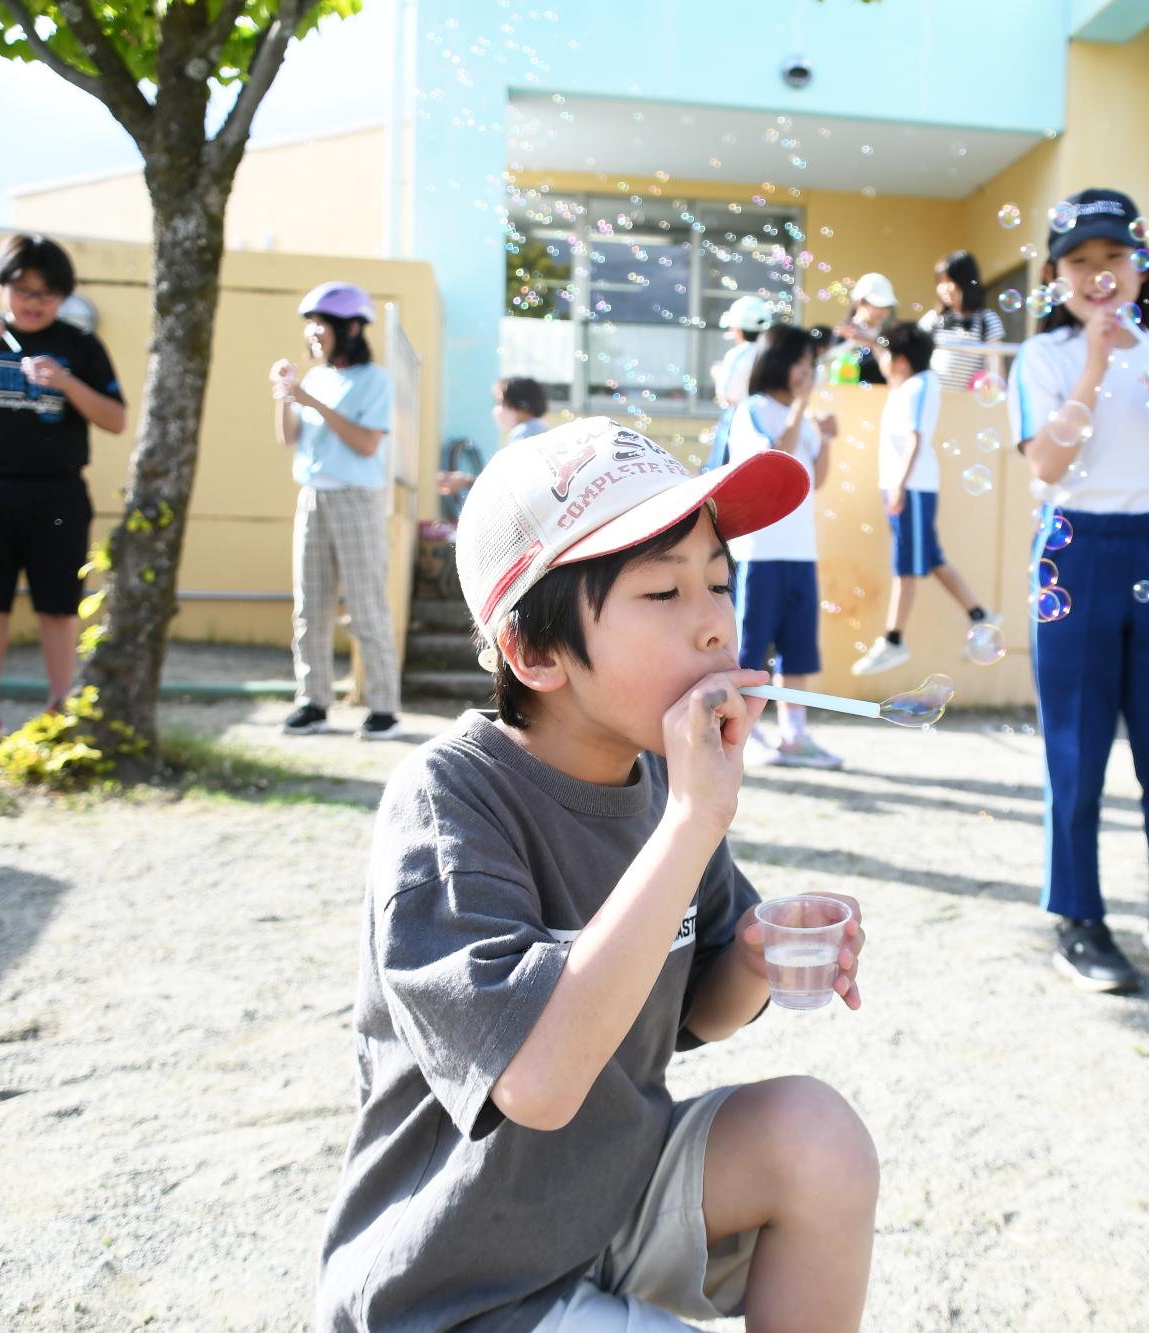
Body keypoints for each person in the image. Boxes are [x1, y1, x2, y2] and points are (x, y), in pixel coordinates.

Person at [316, 417, 877, 1331]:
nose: (712, 625)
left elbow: (700, 1010)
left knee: (817, 1137)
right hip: (463, 1281)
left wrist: (756, 952)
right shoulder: (451, 798)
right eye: (662, 592)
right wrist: (695, 821)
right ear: (534, 653)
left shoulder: (658, 781)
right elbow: (536, 1083)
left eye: (718, 582)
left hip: (606, 1207)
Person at [1009, 188, 1149, 995]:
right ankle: (1079, 916)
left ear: (1142, 264)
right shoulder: (1048, 358)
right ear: (1056, 275)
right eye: (1080, 262)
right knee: (1078, 749)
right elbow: (1045, 464)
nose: (1100, 276)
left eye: (1114, 258)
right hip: (1075, 550)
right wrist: (1098, 364)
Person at [0, 233, 126, 749]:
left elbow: (117, 419)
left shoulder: (81, 345)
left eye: (48, 293)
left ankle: (60, 707)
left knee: (58, 605)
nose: (34, 302)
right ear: (1, 287)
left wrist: (67, 385)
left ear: (64, 297)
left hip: (57, 494)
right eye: (24, 289)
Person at [269, 281, 403, 741]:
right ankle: (313, 702)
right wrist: (285, 395)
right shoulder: (316, 378)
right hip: (312, 497)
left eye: (319, 325)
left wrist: (311, 402)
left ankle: (384, 708)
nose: (312, 335)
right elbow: (289, 439)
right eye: (308, 327)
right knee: (310, 607)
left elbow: (367, 444)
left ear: (349, 328)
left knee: (366, 605)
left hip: (356, 499)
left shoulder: (375, 380)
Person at [850, 321, 995, 678]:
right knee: (931, 559)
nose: (882, 362)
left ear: (901, 363)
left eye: (888, 357)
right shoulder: (911, 380)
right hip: (907, 487)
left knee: (905, 565)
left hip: (910, 487)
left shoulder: (918, 387)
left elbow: (915, 438)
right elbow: (891, 354)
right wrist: (870, 340)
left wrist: (899, 485)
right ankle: (980, 615)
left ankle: (894, 639)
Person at [726, 325, 842, 768]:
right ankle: (742, 734)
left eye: (810, 364)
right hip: (759, 551)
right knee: (749, 651)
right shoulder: (754, 410)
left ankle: (795, 735)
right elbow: (778, 463)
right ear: (778, 361)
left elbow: (816, 479)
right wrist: (800, 410)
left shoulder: (798, 414)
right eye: (800, 362)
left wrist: (827, 438)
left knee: (798, 651)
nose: (807, 371)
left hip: (800, 551)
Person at [698, 294, 776, 474]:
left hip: (739, 422)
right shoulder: (773, 355)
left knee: (724, 475)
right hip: (768, 421)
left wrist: (718, 375)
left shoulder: (738, 354)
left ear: (738, 330)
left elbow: (727, 396)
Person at [436, 376, 551, 497]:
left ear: (522, 405)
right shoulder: (540, 428)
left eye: (500, 402)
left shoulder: (523, 433)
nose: (497, 409)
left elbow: (510, 483)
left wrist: (466, 481)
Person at [918, 250, 1008, 391]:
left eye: (949, 281)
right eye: (940, 282)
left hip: (968, 405)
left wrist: (998, 397)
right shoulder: (933, 319)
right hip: (936, 400)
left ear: (965, 282)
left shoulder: (986, 320)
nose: (943, 288)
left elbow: (996, 367)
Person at [827, 272, 895, 386]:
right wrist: (852, 342)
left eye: (887, 307)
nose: (884, 312)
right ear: (860, 302)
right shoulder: (844, 331)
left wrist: (871, 343)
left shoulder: (889, 334)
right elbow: (830, 364)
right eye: (878, 305)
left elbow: (892, 372)